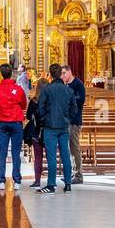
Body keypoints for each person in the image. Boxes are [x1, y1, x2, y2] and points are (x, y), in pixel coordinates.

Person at [36, 62, 74, 194]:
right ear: (61, 75)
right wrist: (67, 119)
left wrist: (44, 120)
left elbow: (40, 108)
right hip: (64, 126)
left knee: (51, 157)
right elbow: (74, 109)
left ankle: (51, 185)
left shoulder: (47, 89)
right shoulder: (68, 90)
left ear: (50, 74)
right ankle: (68, 184)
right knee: (65, 155)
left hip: (50, 127)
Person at [0, 63, 27, 190]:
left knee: (2, 152)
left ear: (1, 74)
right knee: (16, 152)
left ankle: (1, 181)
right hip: (16, 122)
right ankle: (17, 181)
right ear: (11, 73)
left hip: (3, 122)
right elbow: (23, 104)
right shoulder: (18, 89)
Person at [61, 63, 87, 184]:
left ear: (69, 72)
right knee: (69, 148)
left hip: (75, 121)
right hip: (67, 121)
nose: (62, 76)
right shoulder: (66, 85)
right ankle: (71, 173)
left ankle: (79, 175)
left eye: (64, 73)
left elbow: (81, 100)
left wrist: (68, 98)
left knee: (75, 147)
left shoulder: (78, 84)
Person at [24, 78, 47, 189]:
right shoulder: (49, 101)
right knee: (50, 156)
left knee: (38, 157)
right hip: (48, 131)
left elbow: (28, 116)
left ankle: (37, 181)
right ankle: (51, 181)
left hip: (35, 132)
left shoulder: (34, 101)